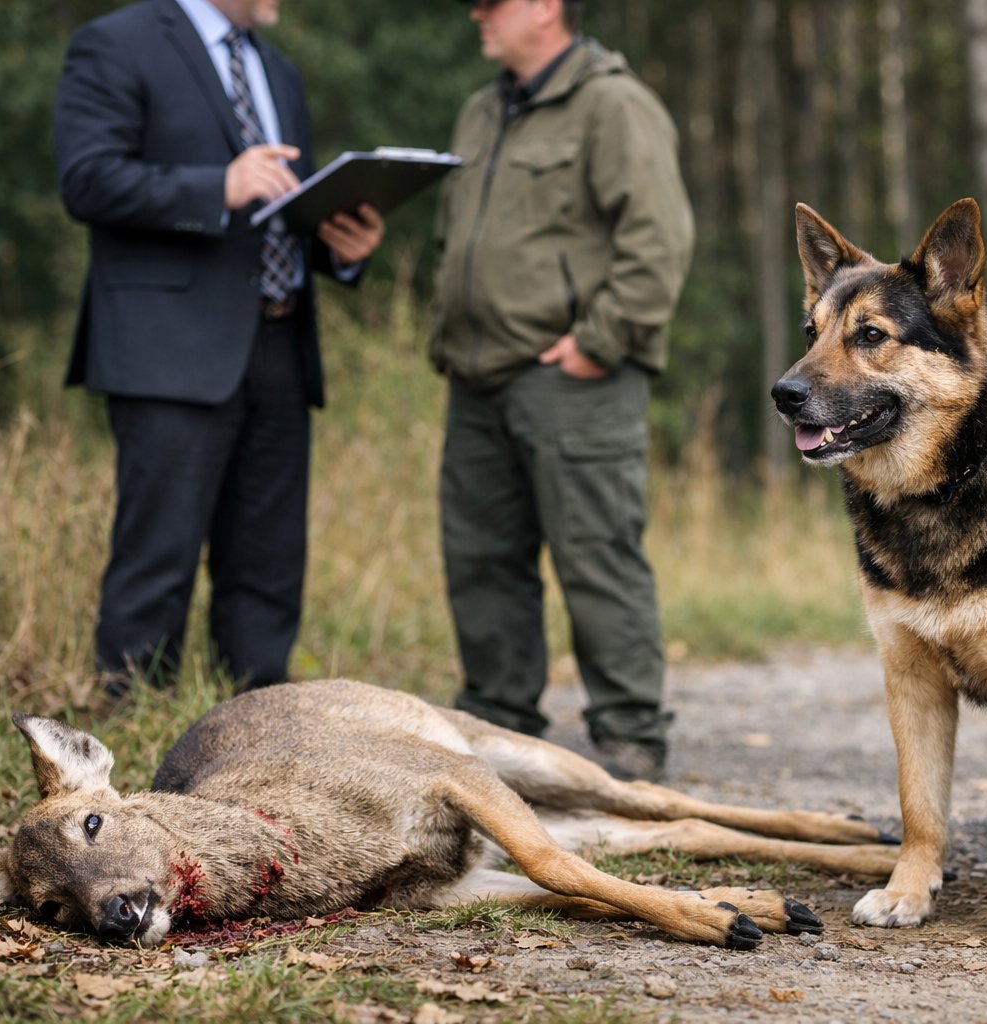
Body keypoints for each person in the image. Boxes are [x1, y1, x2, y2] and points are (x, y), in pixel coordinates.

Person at [53, 0, 385, 698]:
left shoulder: (279, 70)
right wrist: (218, 186)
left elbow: (288, 205)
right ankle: (132, 730)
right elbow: (86, 179)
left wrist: (340, 248)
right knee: (156, 562)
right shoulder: (116, 43)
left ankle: (256, 736)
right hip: (167, 353)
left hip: (283, 340)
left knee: (268, 565)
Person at [430, 0, 695, 781]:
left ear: (546, 6)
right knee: (481, 558)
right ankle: (495, 733)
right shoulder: (482, 111)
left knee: (596, 554)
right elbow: (458, 238)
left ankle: (629, 741)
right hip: (477, 375)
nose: (476, 13)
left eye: (492, 2)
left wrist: (600, 339)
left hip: (572, 377)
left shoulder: (614, 104)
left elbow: (659, 237)